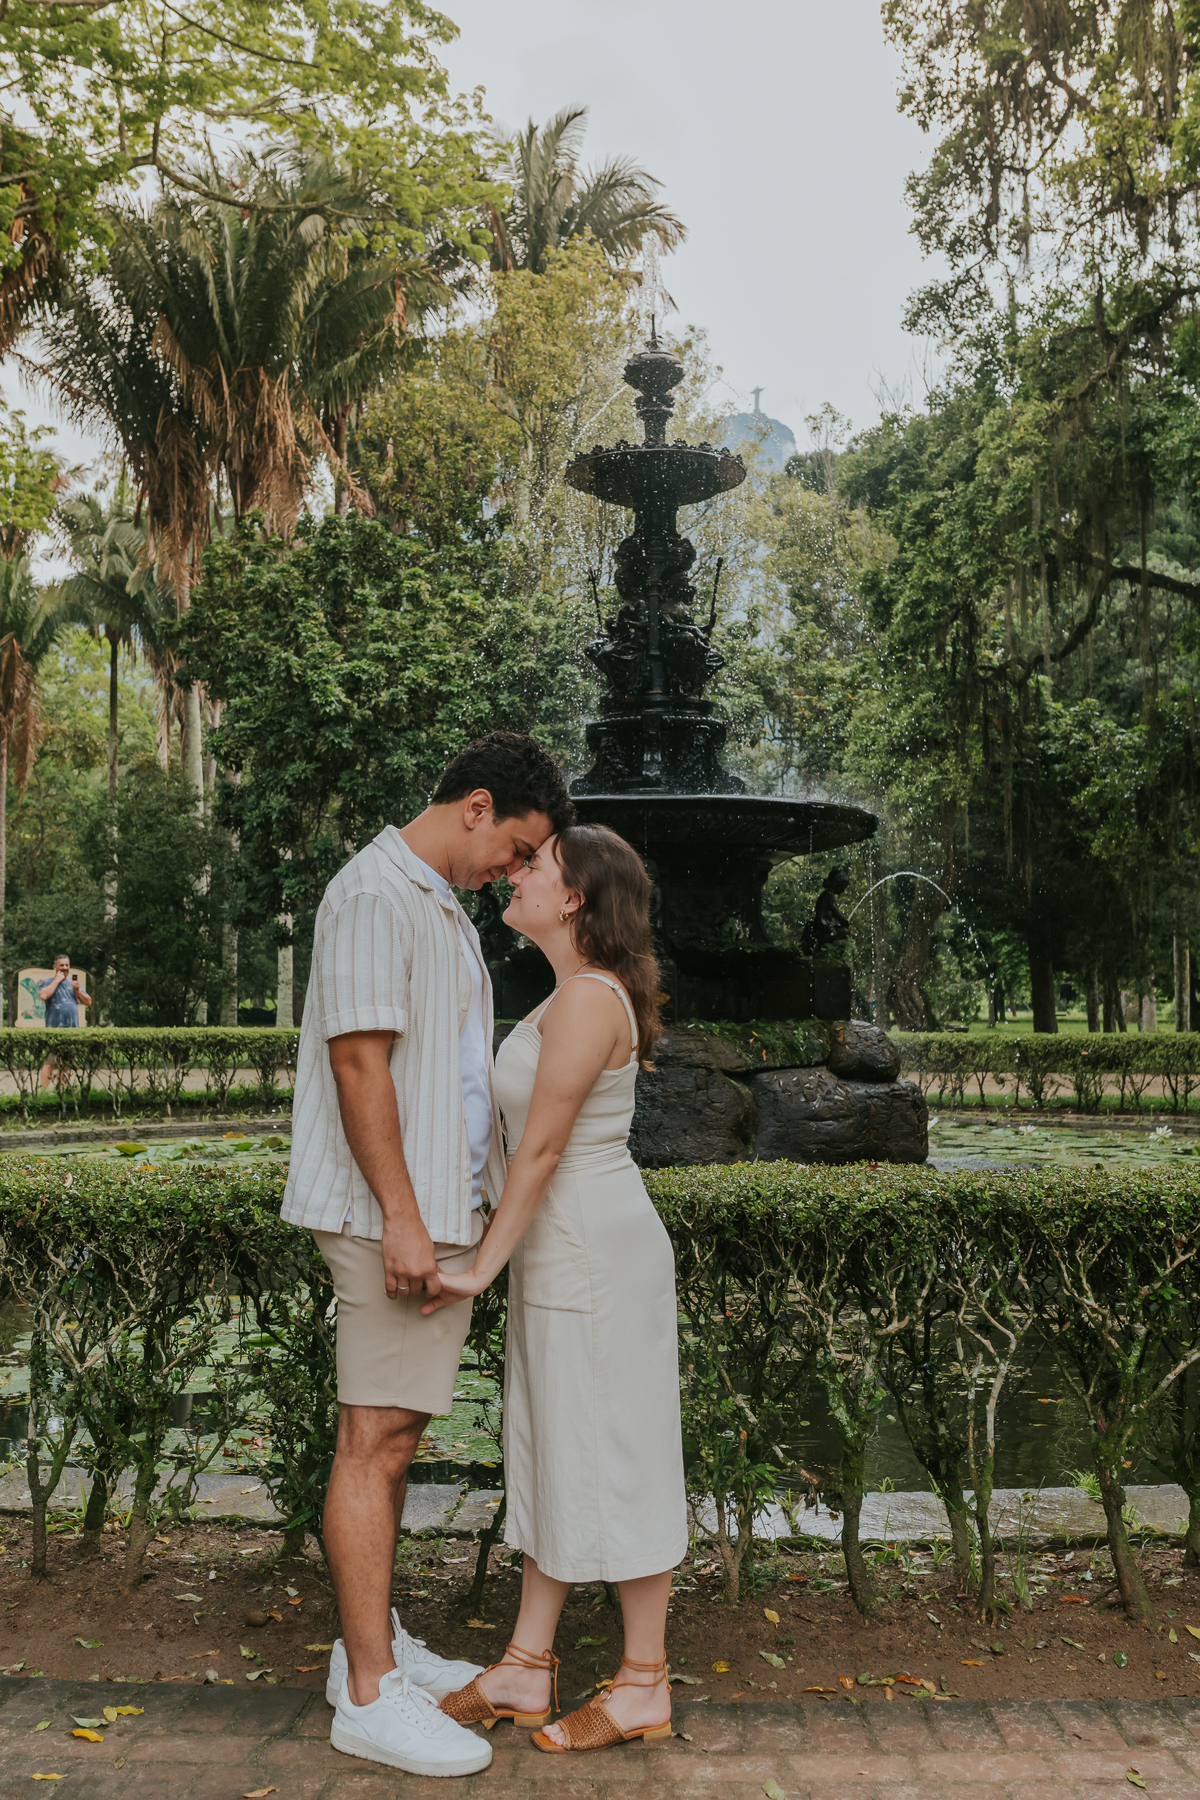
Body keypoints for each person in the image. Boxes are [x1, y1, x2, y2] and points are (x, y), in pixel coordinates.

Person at [280, 732, 574, 1778]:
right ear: (477, 805)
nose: (518, 869)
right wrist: (405, 1216)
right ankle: (367, 1696)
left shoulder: (432, 900)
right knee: (375, 1438)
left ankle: (372, 1649)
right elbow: (360, 1064)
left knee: (393, 1433)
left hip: (426, 1209)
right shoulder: (373, 894)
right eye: (520, 846)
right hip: (384, 1216)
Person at [425, 822, 687, 1758]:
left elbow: (539, 1148)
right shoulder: (564, 997)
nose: (517, 872)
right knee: (550, 1441)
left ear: (574, 896)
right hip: (562, 1245)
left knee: (619, 1445)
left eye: (534, 866)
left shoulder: (587, 1000)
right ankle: (527, 1665)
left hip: (589, 1248)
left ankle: (645, 1683)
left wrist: (482, 1264)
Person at [37, 956, 91, 1088]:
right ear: (54, 967)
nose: (65, 968)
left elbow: (88, 1002)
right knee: (50, 1063)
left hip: (71, 1030)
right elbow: (43, 995)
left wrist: (77, 990)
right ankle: (43, 1094)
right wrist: (57, 980)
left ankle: (60, 1092)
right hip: (54, 1030)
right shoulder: (47, 982)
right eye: (62, 965)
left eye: (67, 965)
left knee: (66, 1063)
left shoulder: (73, 985)